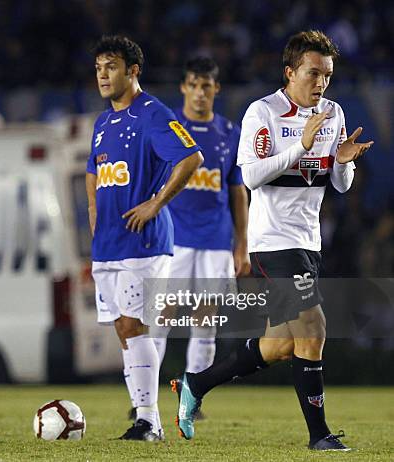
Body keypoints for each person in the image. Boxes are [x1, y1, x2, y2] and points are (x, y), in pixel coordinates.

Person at [171, 30, 373, 451]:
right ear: (290, 72)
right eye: (313, 73)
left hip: (307, 240)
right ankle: (320, 436)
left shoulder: (332, 113)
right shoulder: (262, 113)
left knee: (281, 344)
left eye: (328, 75)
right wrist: (300, 145)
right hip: (272, 241)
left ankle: (196, 383)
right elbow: (251, 177)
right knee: (314, 327)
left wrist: (343, 162)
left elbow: (338, 184)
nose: (321, 83)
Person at [86, 35, 203, 440]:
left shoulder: (151, 113)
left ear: (133, 71)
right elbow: (93, 169)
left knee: (135, 325)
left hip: (144, 239)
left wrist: (156, 203)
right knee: (124, 328)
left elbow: (191, 157)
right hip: (109, 242)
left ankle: (148, 420)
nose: (103, 75)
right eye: (99, 67)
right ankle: (144, 416)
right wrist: (92, 212)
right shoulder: (102, 122)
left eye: (111, 67)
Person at [151, 57, 250, 381]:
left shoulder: (229, 133)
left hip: (216, 241)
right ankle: (145, 394)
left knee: (205, 320)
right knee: (161, 316)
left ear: (215, 88)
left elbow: (237, 191)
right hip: (173, 239)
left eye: (205, 86)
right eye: (193, 85)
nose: (199, 92)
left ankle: (192, 395)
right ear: (183, 87)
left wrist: (242, 246)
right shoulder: (168, 127)